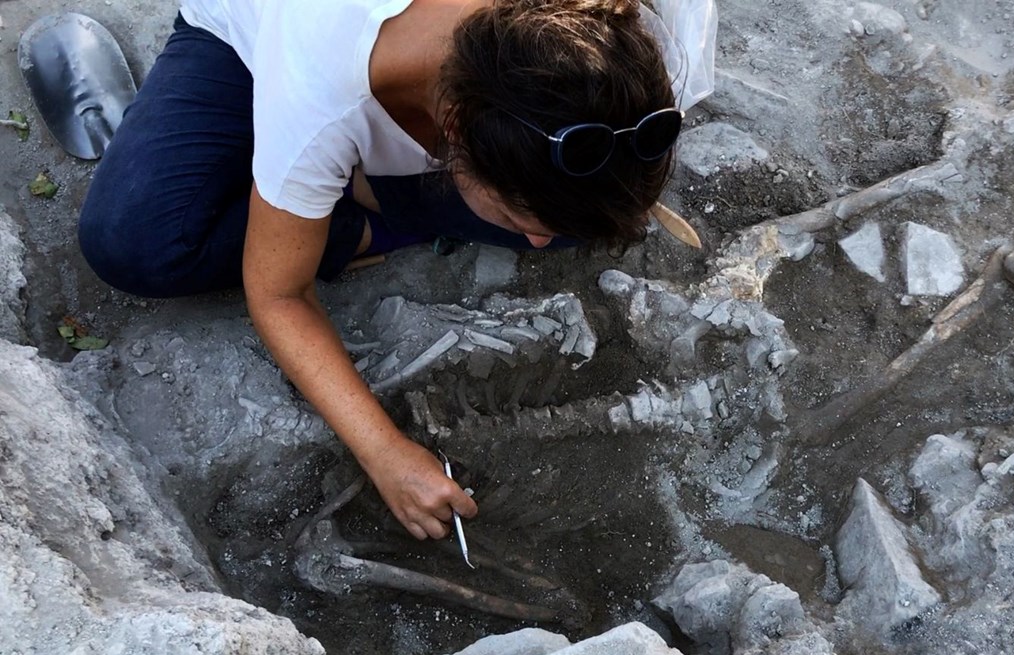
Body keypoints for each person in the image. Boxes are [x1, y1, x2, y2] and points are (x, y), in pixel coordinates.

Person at [77, 0, 681, 541]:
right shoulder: (322, 75)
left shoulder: (642, 35)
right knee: (134, 241)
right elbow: (281, 295)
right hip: (248, 44)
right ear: (453, 139)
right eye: (514, 211)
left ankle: (343, 194)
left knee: (587, 221)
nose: (533, 238)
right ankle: (357, 213)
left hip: (423, 128)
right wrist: (384, 451)